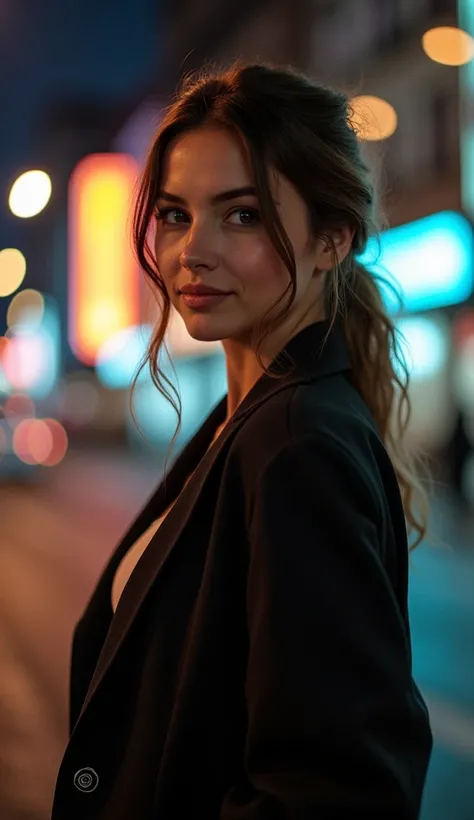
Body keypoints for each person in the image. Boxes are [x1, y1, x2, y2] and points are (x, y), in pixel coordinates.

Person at [51, 61, 433, 819]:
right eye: (175, 214)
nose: (193, 250)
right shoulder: (252, 419)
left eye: (243, 215)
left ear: (332, 239)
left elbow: (335, 789)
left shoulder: (299, 444)